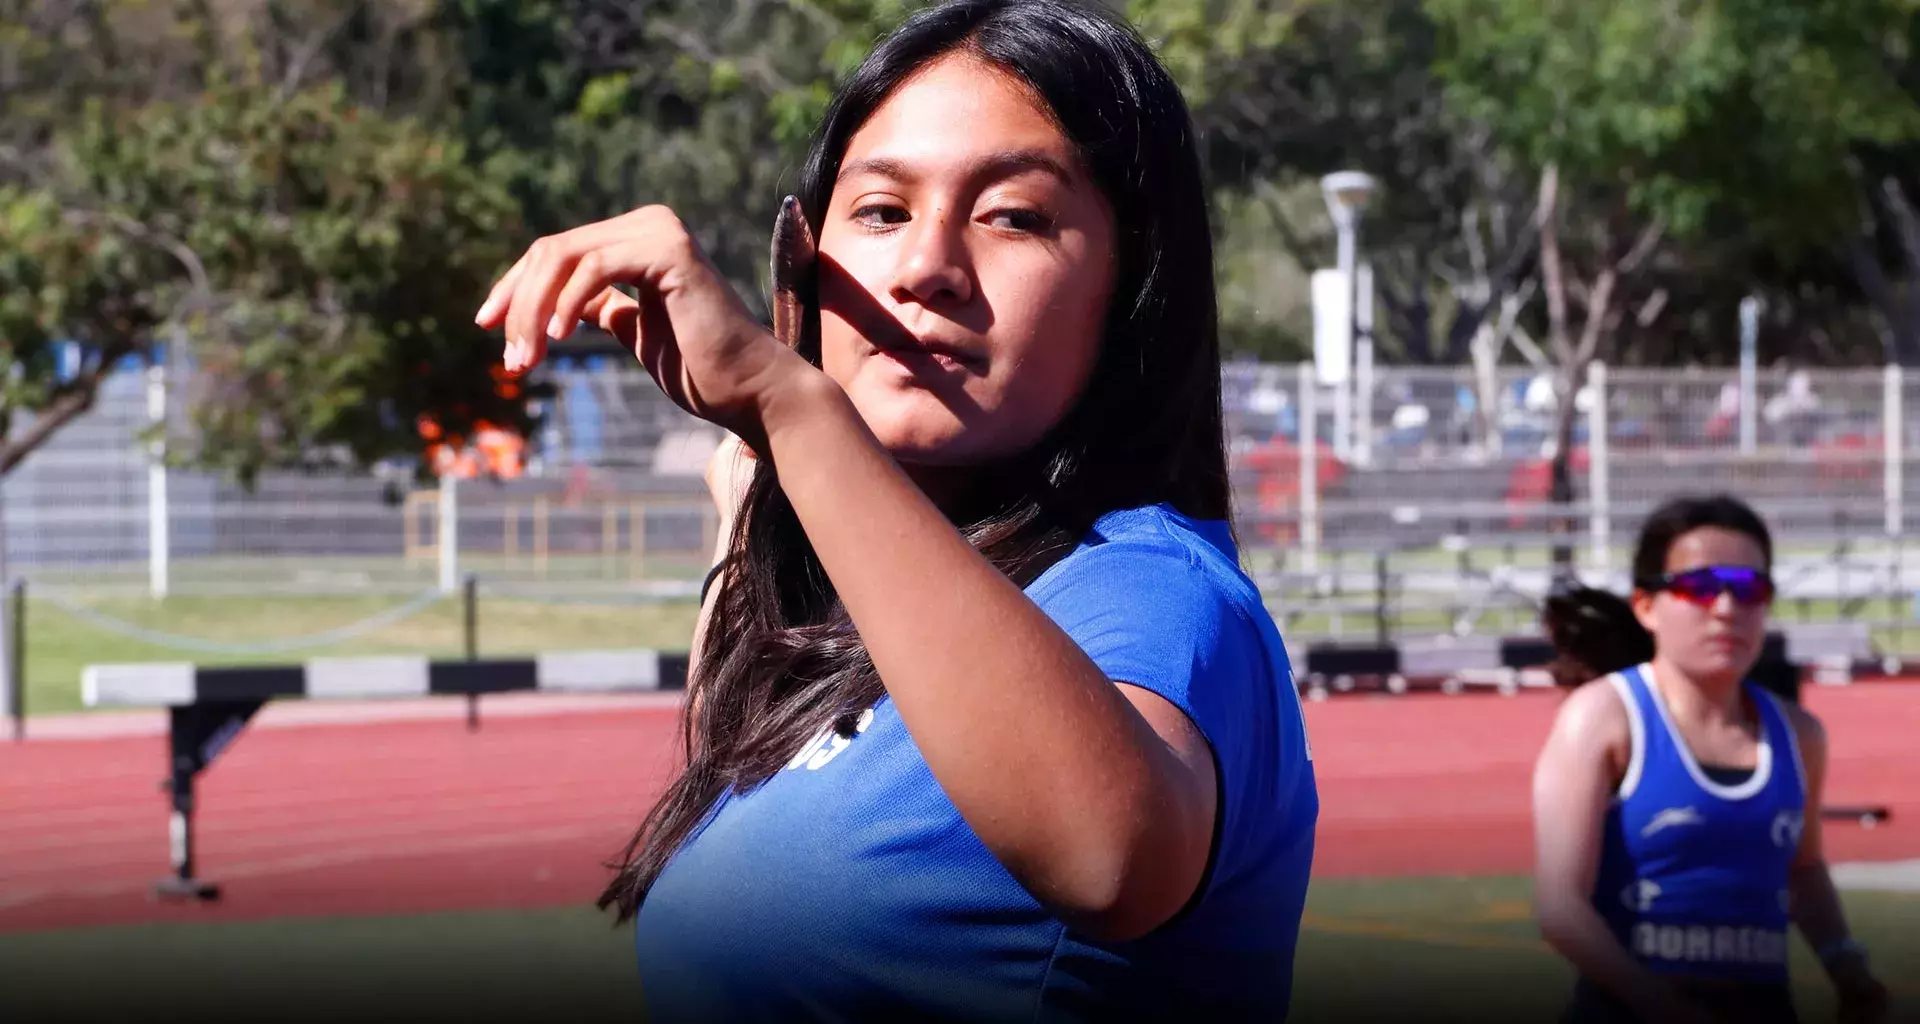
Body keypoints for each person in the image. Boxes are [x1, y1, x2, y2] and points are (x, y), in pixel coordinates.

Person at [472, 1, 1318, 1019]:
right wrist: (761, 484)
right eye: (880, 212)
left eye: (1014, 215)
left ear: (1132, 285)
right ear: (805, 266)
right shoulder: (861, 597)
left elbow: (1112, 858)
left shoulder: (1152, 593)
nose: (926, 268)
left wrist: (792, 406)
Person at [1531, 495, 1889, 1024]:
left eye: (1749, 589)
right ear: (1646, 605)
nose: (1726, 609)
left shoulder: (1798, 735)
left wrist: (1845, 966)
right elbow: (1561, 910)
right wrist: (1665, 1008)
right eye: (1699, 588)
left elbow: (1803, 866)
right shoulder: (1605, 717)